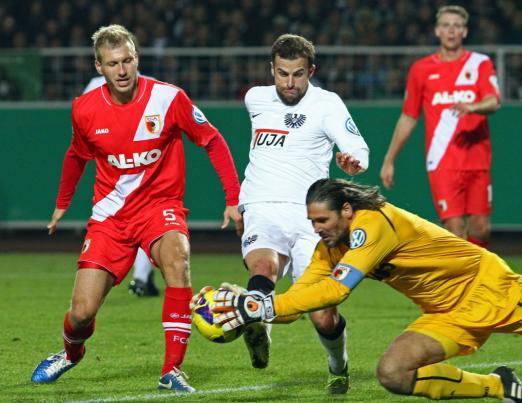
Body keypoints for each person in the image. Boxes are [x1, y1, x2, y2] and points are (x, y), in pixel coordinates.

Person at [210, 178, 522, 402]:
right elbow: (302, 301)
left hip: (491, 288)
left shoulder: (374, 224)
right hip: (446, 314)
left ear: (347, 211)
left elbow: (334, 293)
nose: (316, 230)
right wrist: (254, 304)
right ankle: (499, 385)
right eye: (312, 222)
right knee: (393, 374)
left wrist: (261, 309)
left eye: (322, 220)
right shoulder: (328, 248)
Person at [30, 24, 243, 393]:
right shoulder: (85, 109)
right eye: (113, 63)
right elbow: (76, 156)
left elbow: (211, 139)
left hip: (160, 207)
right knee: (81, 313)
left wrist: (232, 198)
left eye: (128, 60)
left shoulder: (168, 98)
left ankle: (171, 370)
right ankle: (70, 353)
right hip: (110, 217)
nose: (123, 70)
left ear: (137, 59)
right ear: (100, 67)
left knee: (178, 259)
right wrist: (62, 204)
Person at [236, 33, 369, 394]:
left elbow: (358, 147)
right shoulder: (255, 99)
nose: (289, 83)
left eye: (297, 74)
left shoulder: (327, 104)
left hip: (310, 218)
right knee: (263, 269)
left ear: (311, 70)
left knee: (322, 314)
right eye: (282, 74)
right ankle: (260, 325)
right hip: (262, 206)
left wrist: (353, 161)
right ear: (272, 70)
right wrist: (238, 201)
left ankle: (337, 363)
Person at [380, 5, 500, 248]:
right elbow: (408, 116)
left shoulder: (480, 64)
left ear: (465, 32)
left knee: (481, 228)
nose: (451, 31)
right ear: (437, 31)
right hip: (442, 160)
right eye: (446, 26)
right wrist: (390, 159)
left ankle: (475, 272)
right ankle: (467, 282)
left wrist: (473, 107)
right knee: (455, 230)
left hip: (477, 158)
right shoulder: (421, 70)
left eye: (456, 26)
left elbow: (494, 100)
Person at [83, 75, 159, 297]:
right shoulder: (98, 84)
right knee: (140, 224)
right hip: (118, 171)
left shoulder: (149, 85)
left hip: (139, 169)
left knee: (143, 222)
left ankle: (141, 278)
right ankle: (141, 278)